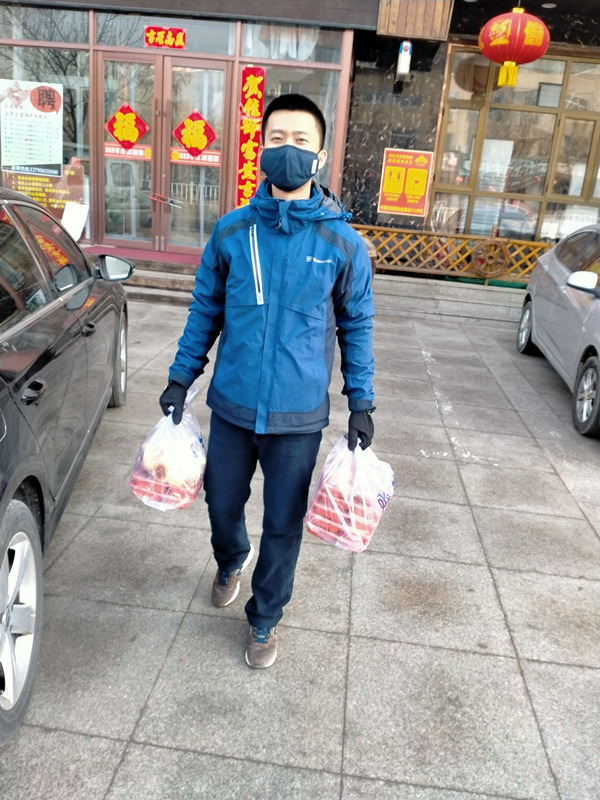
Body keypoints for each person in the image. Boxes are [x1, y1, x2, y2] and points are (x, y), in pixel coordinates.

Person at [159, 93, 375, 669]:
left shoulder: (342, 244)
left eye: (301, 141)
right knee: (221, 501)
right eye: (277, 138)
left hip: (297, 416)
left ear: (320, 156)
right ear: (261, 148)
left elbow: (356, 325)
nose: (288, 149)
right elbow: (205, 310)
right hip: (233, 405)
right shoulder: (232, 231)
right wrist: (181, 378)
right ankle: (231, 557)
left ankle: (265, 619)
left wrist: (361, 401)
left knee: (283, 524)